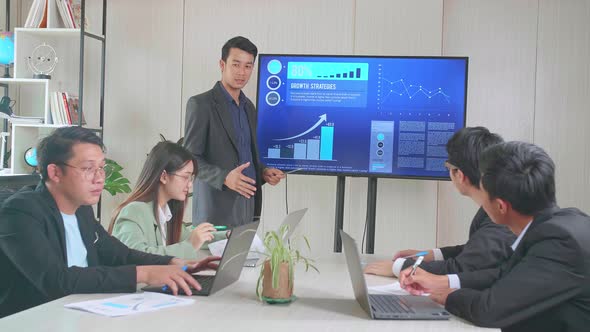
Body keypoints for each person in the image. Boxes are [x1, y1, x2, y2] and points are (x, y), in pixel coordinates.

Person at [0, 127, 219, 318]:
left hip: (82, 313)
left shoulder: (82, 211)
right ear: (55, 172)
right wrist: (145, 274)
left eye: (102, 167)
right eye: (88, 168)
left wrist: (173, 263)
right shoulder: (20, 212)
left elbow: (119, 254)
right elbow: (56, 280)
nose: (99, 177)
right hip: (36, 319)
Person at [400, 142, 590, 331]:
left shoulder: (560, 242)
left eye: (483, 191)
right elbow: (505, 275)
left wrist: (449, 296)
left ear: (500, 206)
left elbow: (489, 310)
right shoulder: (565, 222)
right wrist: (441, 282)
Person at [364, 127, 514, 277]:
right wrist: (432, 255)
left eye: (448, 167)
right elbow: (477, 252)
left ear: (459, 174)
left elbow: (462, 268)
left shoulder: (500, 214)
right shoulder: (495, 203)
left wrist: (398, 267)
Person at [184, 36, 285, 227]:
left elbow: (246, 153)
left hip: (248, 210)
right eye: (236, 64)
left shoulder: (249, 108)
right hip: (215, 213)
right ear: (222, 64)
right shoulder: (201, 105)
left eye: (248, 66)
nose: (242, 72)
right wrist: (224, 177)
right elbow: (190, 159)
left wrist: (263, 172)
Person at [109, 141, 227, 259]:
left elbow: (190, 236)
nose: (190, 184)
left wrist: (227, 235)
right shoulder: (134, 211)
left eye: (191, 178)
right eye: (185, 177)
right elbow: (135, 256)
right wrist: (190, 245)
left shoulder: (166, 214)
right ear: (164, 176)